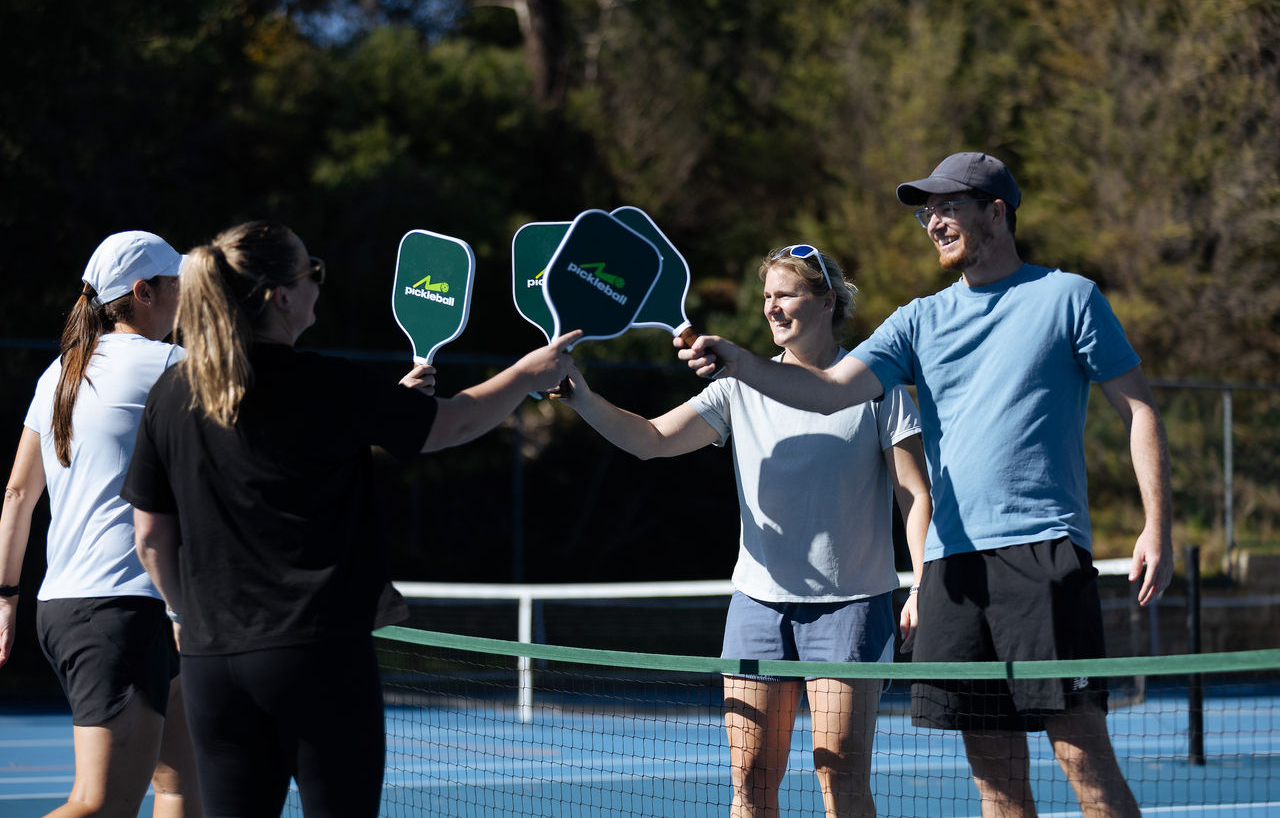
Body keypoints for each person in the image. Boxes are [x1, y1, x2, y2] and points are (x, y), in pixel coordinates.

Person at [678, 152, 1173, 818]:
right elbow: (827, 391)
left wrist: (1156, 525)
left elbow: (1138, 408)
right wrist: (737, 359)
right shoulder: (917, 320)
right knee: (993, 777)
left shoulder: (1068, 297)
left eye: (947, 206)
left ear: (996, 212)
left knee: (1084, 762)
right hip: (952, 571)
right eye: (926, 210)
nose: (932, 221)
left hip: (1044, 555)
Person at [119, 221, 578, 818]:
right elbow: (451, 424)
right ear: (281, 296)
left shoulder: (172, 392)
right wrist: (528, 374)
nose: (318, 283)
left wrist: (186, 614)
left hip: (212, 664)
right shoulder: (328, 384)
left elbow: (151, 536)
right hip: (318, 655)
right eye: (313, 272)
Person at [560, 245, 932, 818]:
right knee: (750, 782)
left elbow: (914, 494)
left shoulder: (879, 389)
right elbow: (651, 440)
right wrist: (580, 396)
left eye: (785, 295)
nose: (771, 309)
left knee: (841, 780)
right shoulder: (738, 388)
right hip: (757, 608)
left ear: (827, 301)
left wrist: (922, 585)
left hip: (852, 608)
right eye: (766, 298)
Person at [0, 231, 202, 817]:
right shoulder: (173, 365)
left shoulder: (59, 374)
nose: (185, 300)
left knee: (183, 784)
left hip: (91, 608)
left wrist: (7, 595)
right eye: (176, 287)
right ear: (144, 293)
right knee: (100, 806)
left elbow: (17, 493)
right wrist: (392, 407)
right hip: (123, 613)